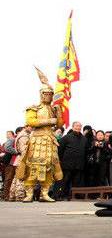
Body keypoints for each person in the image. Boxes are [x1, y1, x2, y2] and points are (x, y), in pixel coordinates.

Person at [16, 69, 64, 202]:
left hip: (50, 139)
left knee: (49, 164)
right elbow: (30, 121)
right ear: (42, 94)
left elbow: (59, 125)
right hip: (37, 139)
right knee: (32, 164)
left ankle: (45, 193)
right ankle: (29, 193)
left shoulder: (53, 108)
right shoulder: (34, 107)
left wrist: (59, 113)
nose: (49, 96)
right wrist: (49, 121)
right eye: (46, 94)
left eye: (50, 94)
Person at [56, 121, 88, 199]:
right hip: (67, 164)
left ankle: (74, 196)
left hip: (79, 164)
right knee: (65, 181)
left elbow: (86, 151)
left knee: (77, 182)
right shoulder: (66, 137)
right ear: (73, 127)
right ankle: (61, 195)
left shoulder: (84, 139)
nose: (78, 127)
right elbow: (60, 150)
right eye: (76, 126)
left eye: (80, 126)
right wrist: (61, 160)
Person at [2, 130, 18, 200]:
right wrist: (18, 151)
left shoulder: (12, 139)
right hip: (11, 162)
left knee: (8, 179)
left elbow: (7, 148)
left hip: (10, 162)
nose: (7, 135)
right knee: (9, 179)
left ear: (13, 134)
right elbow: (7, 148)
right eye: (7, 134)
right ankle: (7, 195)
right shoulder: (12, 140)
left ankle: (7, 195)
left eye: (9, 134)